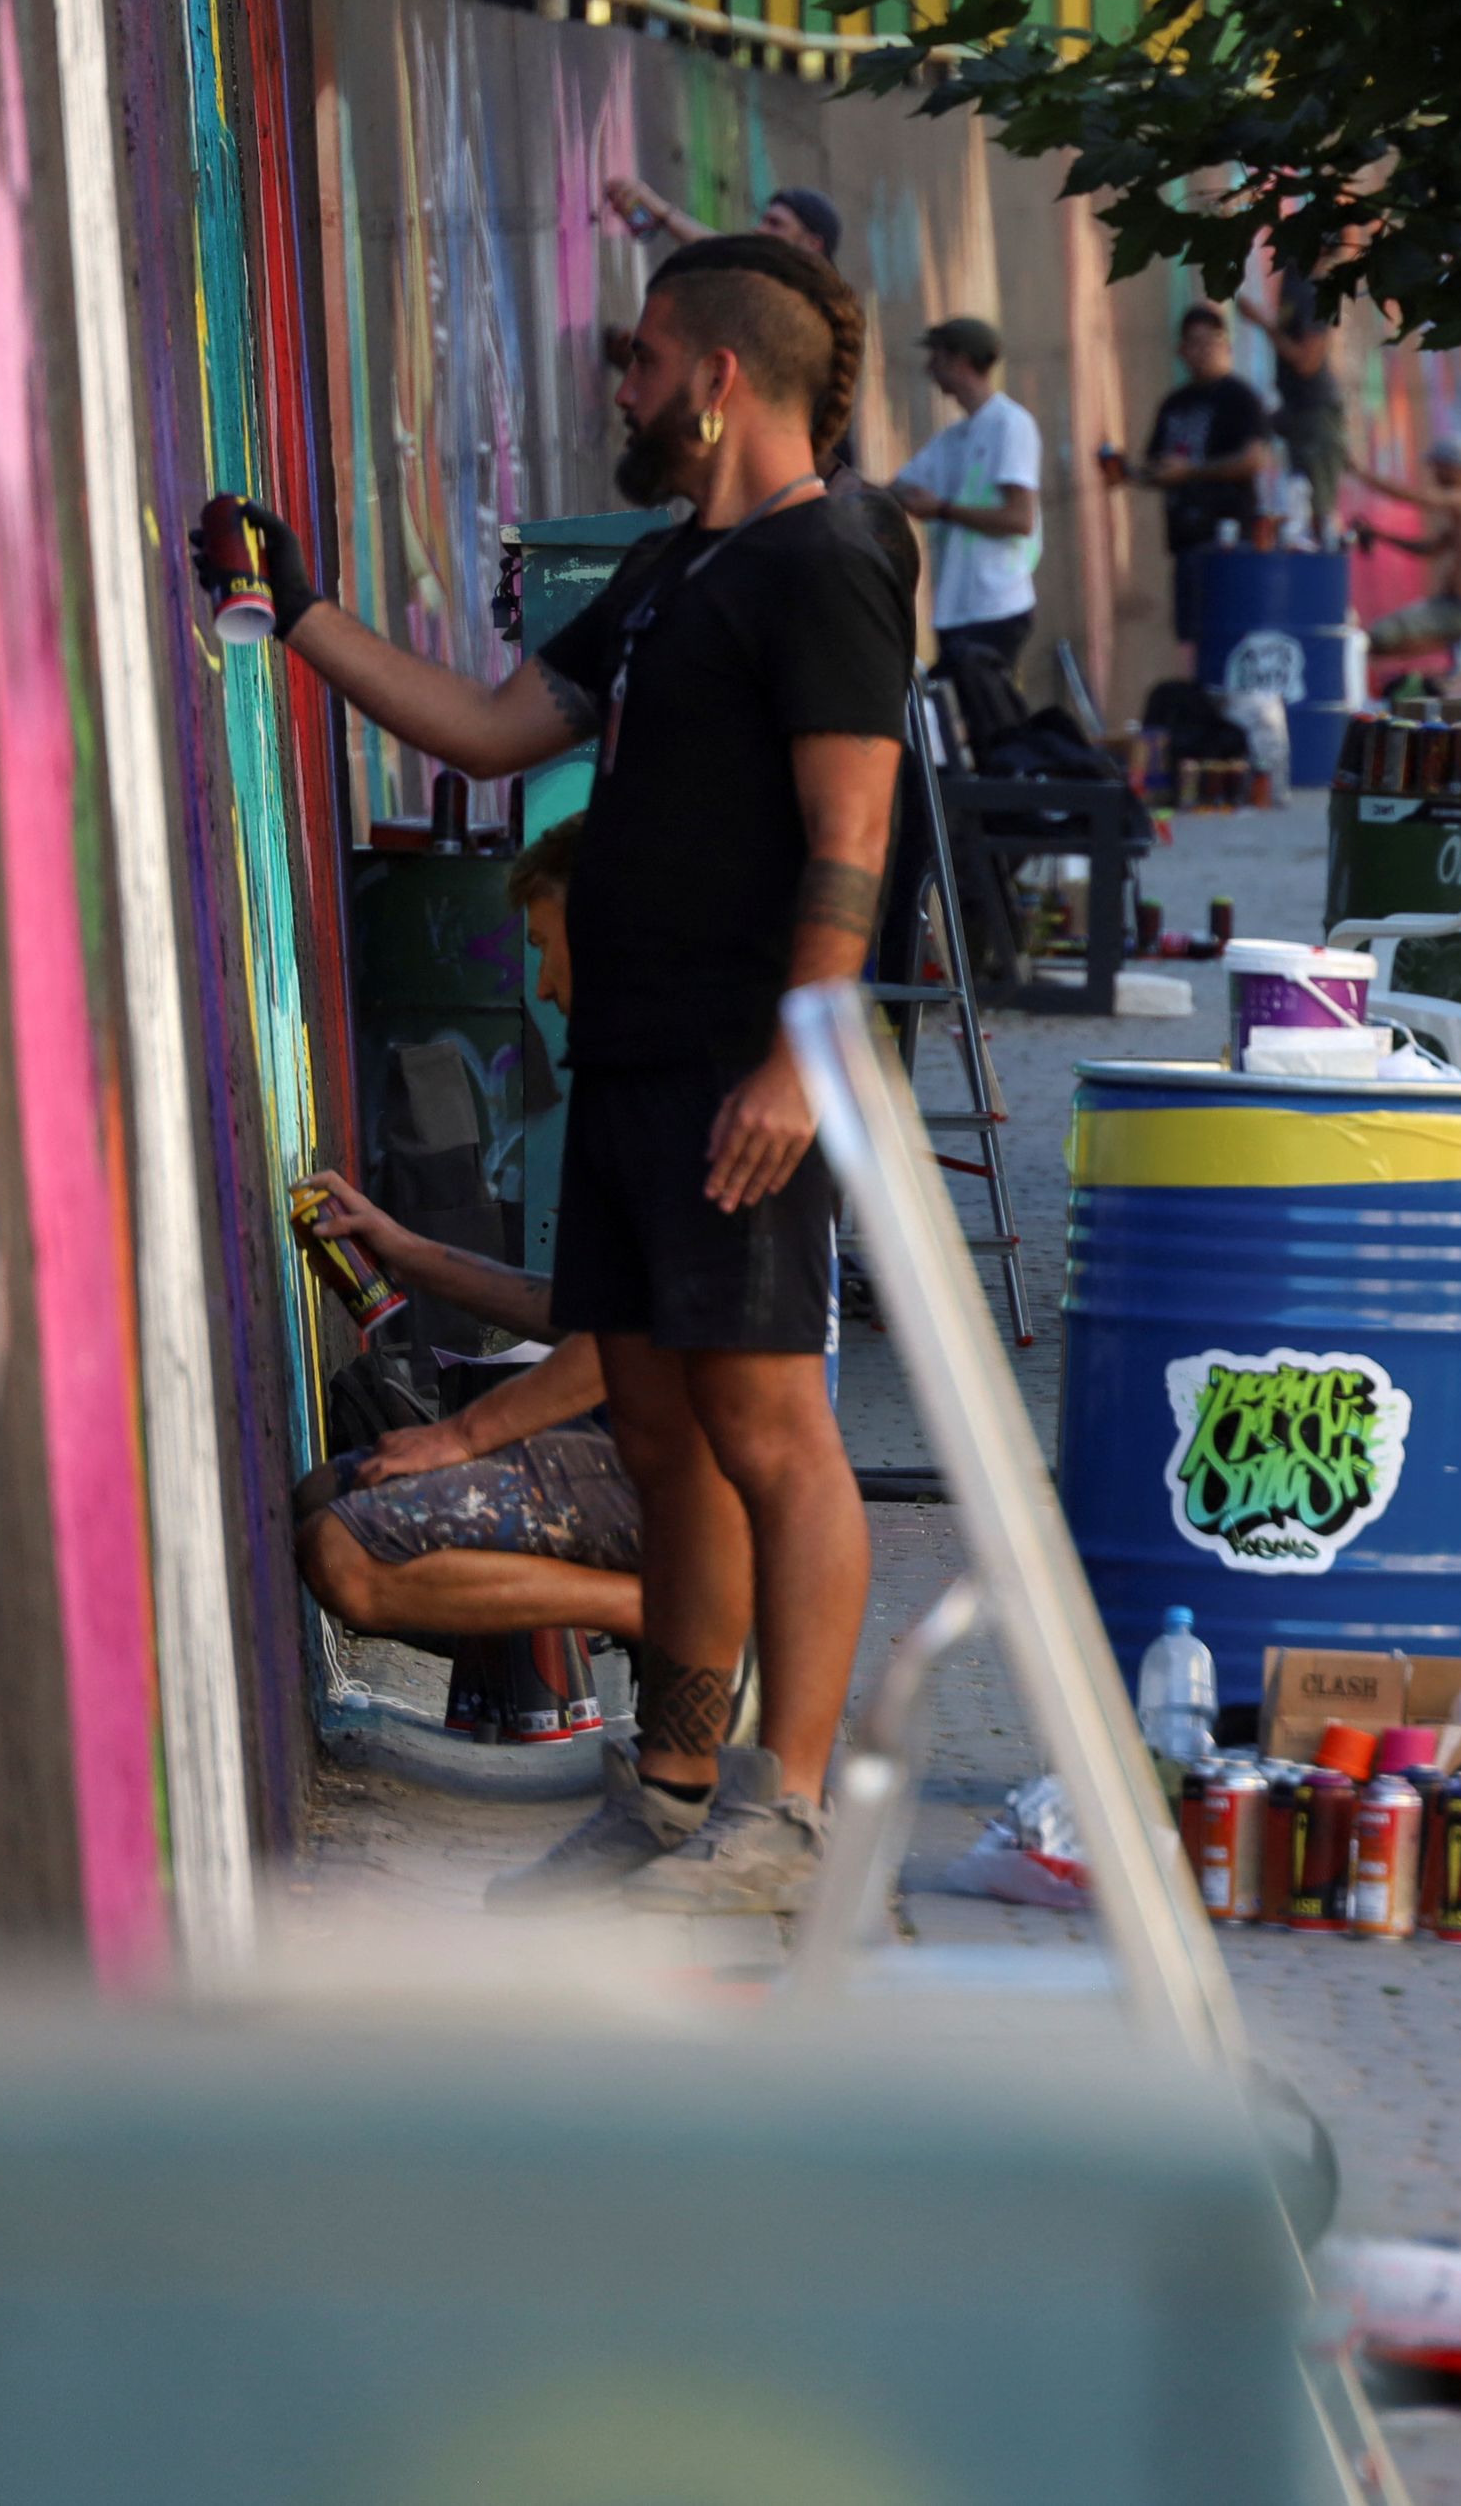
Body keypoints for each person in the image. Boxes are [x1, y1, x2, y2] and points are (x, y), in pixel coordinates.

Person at [199, 231, 909, 1917]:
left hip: (746, 1072)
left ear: (721, 378)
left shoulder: (835, 556)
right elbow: (493, 726)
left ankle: (782, 1818)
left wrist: (799, 1061)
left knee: (769, 1427)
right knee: (662, 1429)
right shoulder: (675, 574)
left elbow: (853, 831)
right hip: (636, 1062)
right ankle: (669, 1791)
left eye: (644, 361)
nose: (625, 388)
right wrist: (296, 611)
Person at [293, 821, 650, 1667]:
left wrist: (458, 1440)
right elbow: (567, 1309)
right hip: (622, 1456)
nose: (547, 985)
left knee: (346, 1547)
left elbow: (617, 1344)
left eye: (546, 948)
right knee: (323, 1493)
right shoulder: (627, 1079)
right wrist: (400, 1245)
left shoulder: (658, 1093)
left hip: (664, 1486)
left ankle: (655, 1610)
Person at [888, 316, 1044, 733]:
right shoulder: (954, 438)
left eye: (936, 357)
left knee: (992, 727)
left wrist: (941, 509)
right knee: (964, 728)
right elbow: (899, 488)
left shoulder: (1011, 426)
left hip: (995, 605)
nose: (929, 369)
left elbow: (1019, 518)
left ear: (960, 361)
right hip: (957, 608)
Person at [1102, 302, 1273, 653]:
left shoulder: (1240, 398)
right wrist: (1128, 473)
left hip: (1230, 544)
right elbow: (1158, 468)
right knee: (1196, 643)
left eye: (1211, 340)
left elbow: (1253, 460)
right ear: (1181, 350)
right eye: (1194, 342)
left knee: (1232, 640)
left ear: (1225, 345)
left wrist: (1191, 471)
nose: (1203, 350)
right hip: (1186, 543)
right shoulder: (1174, 403)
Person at [1350, 433, 1461, 660]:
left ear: (1453, 468)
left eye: (1438, 468)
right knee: (1380, 645)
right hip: (1456, 608)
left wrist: (1360, 474)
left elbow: (1416, 498)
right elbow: (1428, 550)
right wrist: (1380, 535)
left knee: (1379, 637)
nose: (1434, 475)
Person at [1240, 270, 1349, 532]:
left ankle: (1325, 566)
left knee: (1319, 511)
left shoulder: (1311, 288)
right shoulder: (1292, 279)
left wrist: (1263, 323)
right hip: (1296, 411)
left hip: (1315, 414)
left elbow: (1307, 362)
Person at [605, 176, 843, 263]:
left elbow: (728, 250)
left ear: (813, 244)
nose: (759, 230)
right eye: (764, 220)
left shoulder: (804, 299)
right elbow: (727, 249)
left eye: (776, 224)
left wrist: (663, 212)